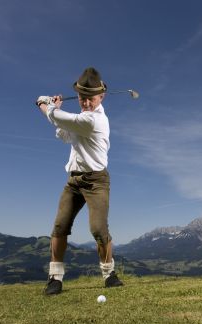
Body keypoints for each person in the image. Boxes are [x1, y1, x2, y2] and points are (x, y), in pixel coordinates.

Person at [36, 67, 123, 295]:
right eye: (82, 98)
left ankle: (109, 274)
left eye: (90, 99)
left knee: (98, 229)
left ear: (101, 97)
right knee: (60, 226)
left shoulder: (95, 120)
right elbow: (65, 133)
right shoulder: (81, 119)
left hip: (97, 181)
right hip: (74, 180)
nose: (85, 103)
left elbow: (56, 117)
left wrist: (45, 104)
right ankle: (55, 278)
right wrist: (56, 112)